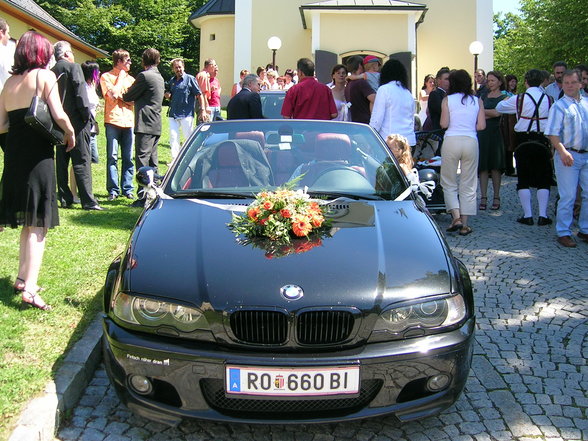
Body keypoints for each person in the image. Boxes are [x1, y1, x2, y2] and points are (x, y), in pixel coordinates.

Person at [0, 30, 75, 310]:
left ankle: (22, 278)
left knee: (27, 221)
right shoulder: (44, 76)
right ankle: (30, 289)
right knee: (39, 224)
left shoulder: (9, 83)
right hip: (38, 158)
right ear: (42, 54)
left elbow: (0, 125)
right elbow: (59, 114)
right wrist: (70, 134)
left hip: (15, 158)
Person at [496, 69, 554, 226]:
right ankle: (543, 215)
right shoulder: (549, 99)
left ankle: (527, 215)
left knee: (523, 177)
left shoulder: (519, 99)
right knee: (544, 178)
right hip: (542, 140)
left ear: (526, 81)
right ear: (542, 81)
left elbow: (500, 107)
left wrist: (509, 98)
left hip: (522, 141)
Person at [52, 41, 102, 211]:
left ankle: (65, 198)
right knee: (81, 160)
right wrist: (87, 116)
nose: (73, 55)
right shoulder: (74, 68)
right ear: (66, 54)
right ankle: (88, 200)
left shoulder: (51, 71)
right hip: (77, 122)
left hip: (58, 122)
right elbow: (81, 95)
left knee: (61, 162)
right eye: (72, 52)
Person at [545, 70, 588, 248]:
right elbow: (552, 133)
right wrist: (562, 152)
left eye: (573, 82)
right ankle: (563, 231)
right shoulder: (559, 106)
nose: (569, 86)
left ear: (581, 84)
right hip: (567, 155)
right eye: (566, 82)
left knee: (587, 195)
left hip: (586, 154)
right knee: (568, 195)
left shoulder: (586, 103)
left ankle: (585, 229)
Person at [440, 69, 486, 236]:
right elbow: (481, 126)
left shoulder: (447, 100)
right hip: (471, 141)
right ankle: (465, 224)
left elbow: (444, 123)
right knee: (469, 183)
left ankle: (456, 217)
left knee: (449, 182)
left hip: (452, 140)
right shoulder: (477, 100)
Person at [122, 48, 165, 206]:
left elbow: (128, 95)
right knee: (153, 162)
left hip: (145, 123)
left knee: (142, 161)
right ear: (157, 61)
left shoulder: (144, 76)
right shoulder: (159, 77)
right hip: (156, 122)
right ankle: (155, 193)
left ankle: (143, 197)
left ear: (143, 60)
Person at [100, 49, 135, 201]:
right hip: (113, 121)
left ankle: (128, 189)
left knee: (128, 157)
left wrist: (121, 97)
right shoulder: (105, 77)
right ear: (119, 62)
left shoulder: (132, 80)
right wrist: (120, 77)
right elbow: (112, 95)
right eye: (127, 61)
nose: (130, 63)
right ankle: (113, 190)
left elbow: (133, 101)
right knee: (112, 157)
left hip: (128, 121)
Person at [165, 58, 206, 160]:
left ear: (183, 67)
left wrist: (203, 110)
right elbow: (169, 93)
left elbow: (199, 95)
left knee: (188, 137)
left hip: (186, 114)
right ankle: (175, 159)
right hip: (173, 114)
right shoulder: (172, 81)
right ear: (173, 69)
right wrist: (167, 95)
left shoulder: (190, 79)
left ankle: (192, 158)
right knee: (173, 137)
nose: (178, 69)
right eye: (176, 67)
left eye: (180, 67)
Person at [477, 71, 506, 211]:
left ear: (500, 82)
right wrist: (487, 112)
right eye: (488, 80)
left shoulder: (504, 97)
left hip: (495, 133)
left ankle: (496, 196)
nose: (490, 83)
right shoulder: (483, 95)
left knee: (495, 166)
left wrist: (483, 111)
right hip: (482, 133)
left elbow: (497, 113)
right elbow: (478, 112)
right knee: (483, 166)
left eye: (493, 80)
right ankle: (483, 196)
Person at [369, 59, 416, 146]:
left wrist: (370, 139)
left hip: (391, 143)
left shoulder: (384, 89)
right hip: (409, 141)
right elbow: (412, 120)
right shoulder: (408, 93)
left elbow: (376, 120)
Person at [344, 55, 375, 124]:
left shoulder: (348, 85)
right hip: (366, 123)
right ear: (359, 66)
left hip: (356, 122)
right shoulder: (361, 82)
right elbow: (374, 99)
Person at [81, 60, 100, 164]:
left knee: (94, 158)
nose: (99, 73)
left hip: (92, 126)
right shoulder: (83, 87)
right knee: (88, 157)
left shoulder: (91, 86)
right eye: (97, 71)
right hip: (86, 125)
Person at [502, 74, 519, 176]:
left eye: (514, 81)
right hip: (507, 122)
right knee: (508, 144)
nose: (513, 83)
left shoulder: (513, 94)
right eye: (511, 81)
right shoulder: (505, 94)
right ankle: (508, 168)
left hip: (513, 121)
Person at [423, 67, 450, 131]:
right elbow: (441, 112)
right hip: (439, 132)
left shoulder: (450, 94)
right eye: (446, 79)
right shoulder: (435, 94)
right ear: (438, 80)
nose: (449, 82)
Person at [0, 17, 16, 92]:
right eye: (8, 33)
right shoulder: (4, 54)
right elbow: (9, 76)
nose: (9, 37)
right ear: (1, 33)